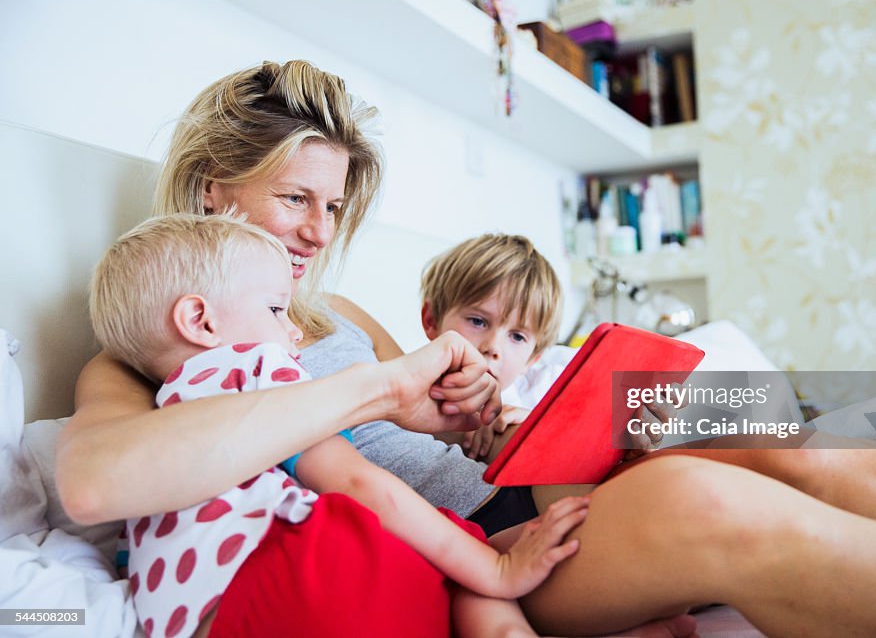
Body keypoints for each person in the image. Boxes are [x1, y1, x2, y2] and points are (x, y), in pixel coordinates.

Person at [58, 59, 876, 637]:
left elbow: (439, 428)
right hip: (478, 547)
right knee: (707, 494)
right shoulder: (150, 354)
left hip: (512, 477)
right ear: (215, 192)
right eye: (294, 199)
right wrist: (373, 394)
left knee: (747, 416)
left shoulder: (338, 308)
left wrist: (473, 408)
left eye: (334, 204)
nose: (318, 231)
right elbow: (98, 482)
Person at [88, 213, 596, 638]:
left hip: (202, 618)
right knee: (455, 549)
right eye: (275, 309)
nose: (293, 330)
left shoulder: (162, 408)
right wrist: (497, 570)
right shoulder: (262, 370)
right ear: (201, 321)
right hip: (303, 586)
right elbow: (357, 482)